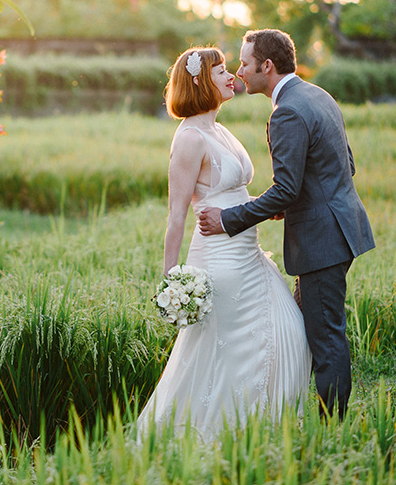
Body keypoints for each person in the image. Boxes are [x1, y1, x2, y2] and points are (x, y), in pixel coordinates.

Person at [197, 29, 375, 421]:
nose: (240, 71)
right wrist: (292, 201)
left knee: (326, 336)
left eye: (244, 63)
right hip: (337, 230)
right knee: (310, 326)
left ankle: (334, 426)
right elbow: (345, 166)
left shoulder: (288, 111)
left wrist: (228, 220)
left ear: (267, 66)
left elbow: (287, 189)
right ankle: (299, 411)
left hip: (323, 239)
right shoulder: (316, 94)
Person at [135, 47, 312, 440]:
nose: (231, 75)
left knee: (291, 333)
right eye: (220, 72)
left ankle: (266, 429)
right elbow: (177, 214)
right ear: (200, 81)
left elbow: (231, 195)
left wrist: (262, 208)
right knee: (234, 351)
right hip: (220, 259)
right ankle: (217, 434)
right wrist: (171, 278)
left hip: (250, 254)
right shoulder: (189, 140)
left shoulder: (220, 129)